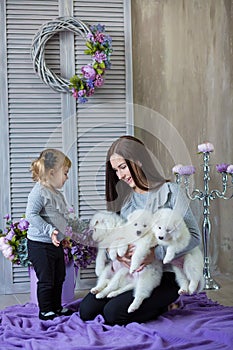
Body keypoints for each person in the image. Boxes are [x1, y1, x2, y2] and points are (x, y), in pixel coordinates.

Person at [79, 135, 201, 326]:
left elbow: (194, 237)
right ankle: (144, 301)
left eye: (122, 167)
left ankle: (163, 305)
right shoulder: (126, 200)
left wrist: (155, 254)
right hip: (133, 272)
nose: (119, 176)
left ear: (138, 161)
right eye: (115, 170)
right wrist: (120, 256)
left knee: (113, 315)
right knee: (86, 311)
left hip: (167, 274)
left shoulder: (171, 191)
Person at [26, 148, 73, 321]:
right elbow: (31, 215)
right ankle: (45, 310)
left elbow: (60, 217)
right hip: (40, 245)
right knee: (46, 279)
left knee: (59, 276)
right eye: (65, 173)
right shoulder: (38, 192)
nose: (67, 178)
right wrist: (49, 230)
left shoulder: (57, 194)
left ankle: (56, 307)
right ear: (52, 173)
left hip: (55, 243)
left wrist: (64, 236)